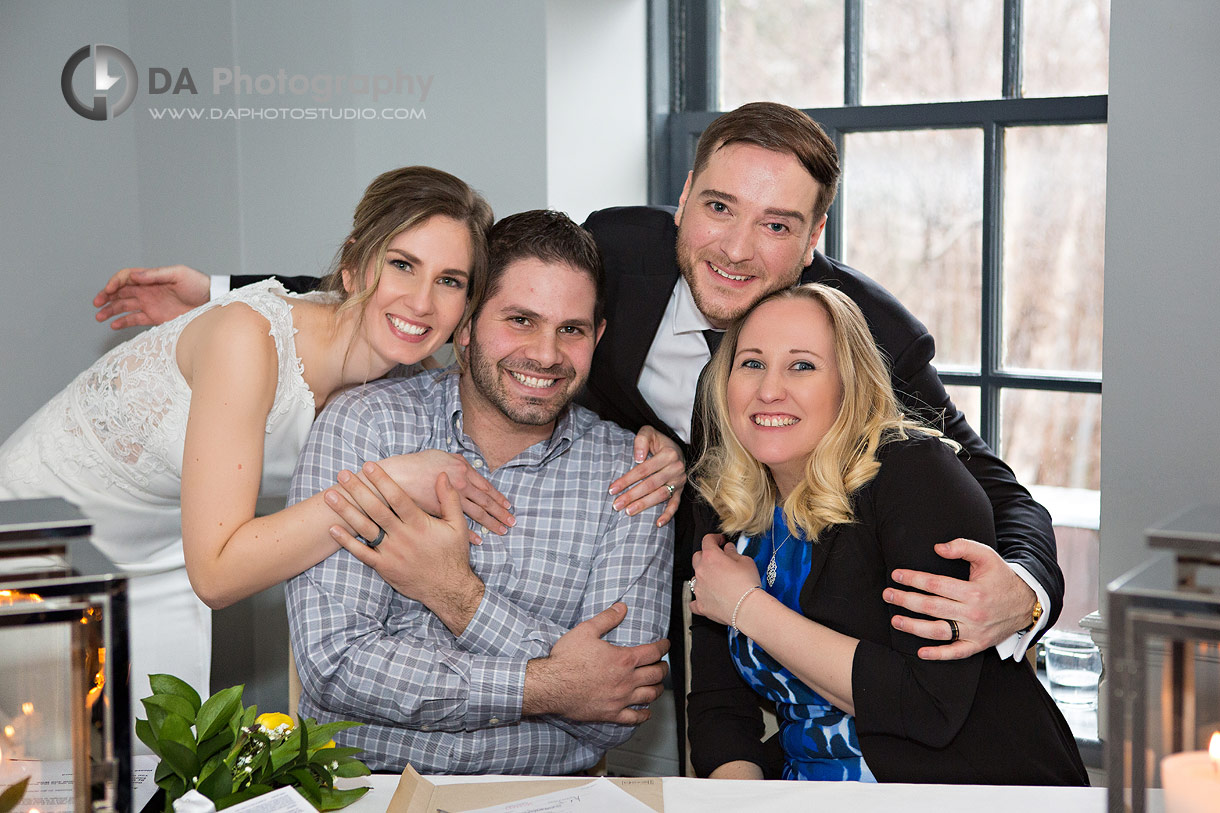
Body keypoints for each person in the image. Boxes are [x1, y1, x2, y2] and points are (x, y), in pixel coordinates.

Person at [90, 102, 1061, 761]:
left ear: (813, 242)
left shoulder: (860, 334)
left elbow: (981, 475)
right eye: (718, 207)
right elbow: (455, 287)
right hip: (710, 615)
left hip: (771, 618)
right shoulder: (620, 257)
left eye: (775, 225)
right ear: (682, 202)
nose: (732, 245)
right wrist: (233, 292)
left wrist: (1022, 590)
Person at [0, 166, 514, 706]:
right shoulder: (246, 338)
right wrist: (387, 484)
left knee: (146, 772)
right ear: (355, 265)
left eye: (450, 281)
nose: (422, 302)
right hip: (38, 538)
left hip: (161, 554)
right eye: (402, 265)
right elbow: (219, 575)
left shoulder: (405, 379)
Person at [285, 210, 673, 774]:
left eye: (572, 329)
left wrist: (459, 598)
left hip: (545, 799)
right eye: (520, 320)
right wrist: (553, 684)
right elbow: (337, 666)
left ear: (599, 337)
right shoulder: (367, 426)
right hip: (366, 791)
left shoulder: (635, 473)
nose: (546, 354)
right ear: (465, 326)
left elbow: (617, 702)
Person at [685, 283, 1086, 784]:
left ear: (849, 384)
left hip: (959, 789)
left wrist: (748, 607)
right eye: (751, 363)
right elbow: (719, 705)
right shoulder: (724, 495)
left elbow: (926, 705)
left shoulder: (915, 476)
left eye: (802, 365)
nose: (769, 389)